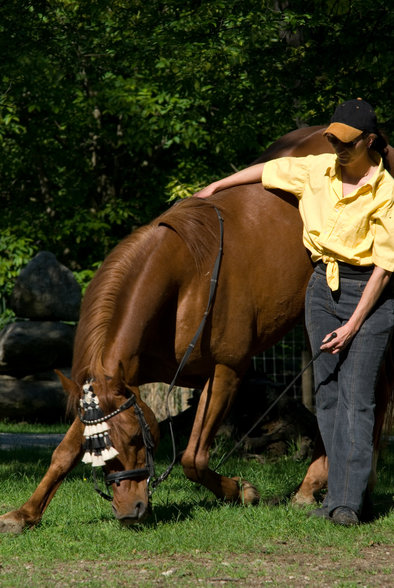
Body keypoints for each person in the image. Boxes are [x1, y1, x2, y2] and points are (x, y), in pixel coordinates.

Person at [194, 98, 394, 526]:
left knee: (357, 401)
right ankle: (344, 494)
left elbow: (384, 267)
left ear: (370, 141)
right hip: (323, 288)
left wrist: (355, 323)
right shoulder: (317, 169)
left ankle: (346, 504)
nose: (338, 149)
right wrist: (216, 186)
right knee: (328, 397)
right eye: (333, 140)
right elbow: (268, 171)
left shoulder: (387, 191)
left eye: (347, 143)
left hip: (369, 295)